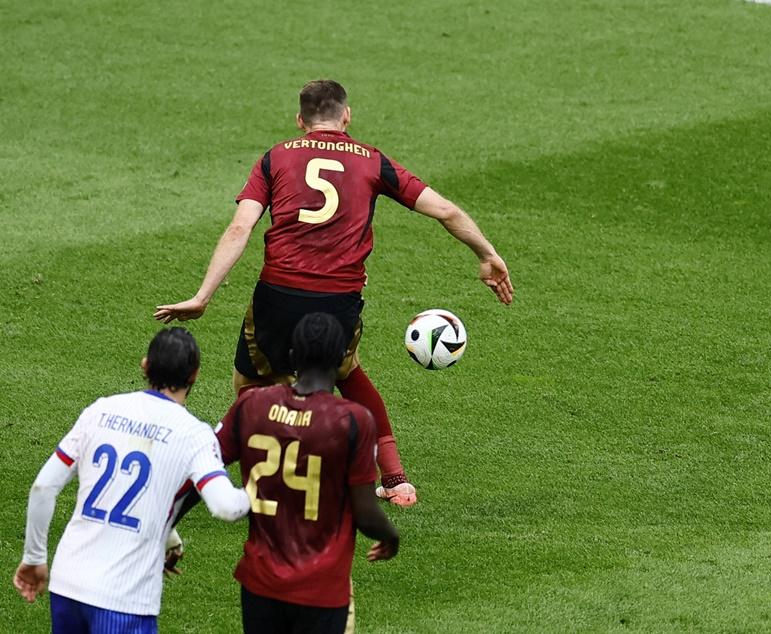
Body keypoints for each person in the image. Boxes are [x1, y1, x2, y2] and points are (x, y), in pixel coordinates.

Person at [154, 79, 514, 505]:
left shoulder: (276, 157)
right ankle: (396, 480)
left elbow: (240, 227)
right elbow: (446, 210)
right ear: (347, 116)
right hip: (340, 300)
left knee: (251, 386)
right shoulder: (372, 161)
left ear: (300, 120)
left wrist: (202, 296)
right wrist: (487, 253)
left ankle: (233, 475)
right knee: (347, 372)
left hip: (278, 293)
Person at [13, 328, 250, 632]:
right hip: (124, 599)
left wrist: (34, 557)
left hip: (68, 585)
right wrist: (263, 488)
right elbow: (225, 507)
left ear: (145, 365)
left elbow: (43, 487)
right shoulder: (194, 435)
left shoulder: (100, 411)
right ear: (195, 375)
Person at [215, 312, 400, 634]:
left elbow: (205, 461)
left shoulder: (252, 405)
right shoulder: (353, 421)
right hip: (321, 589)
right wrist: (390, 536)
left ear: (291, 357)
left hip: (259, 583)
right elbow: (366, 513)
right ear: (341, 357)